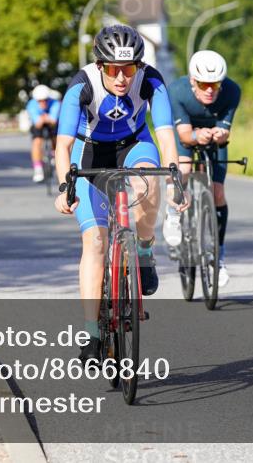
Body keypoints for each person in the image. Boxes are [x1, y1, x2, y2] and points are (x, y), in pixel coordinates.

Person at [53, 24, 187, 363]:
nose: (122, 77)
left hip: (134, 145)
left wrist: (175, 181)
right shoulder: (81, 86)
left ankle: (143, 250)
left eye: (129, 68)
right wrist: (64, 187)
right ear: (100, 66)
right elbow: (63, 145)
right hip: (90, 153)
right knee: (94, 242)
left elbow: (167, 135)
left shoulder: (152, 80)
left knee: (148, 180)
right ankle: (91, 333)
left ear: (139, 66)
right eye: (113, 69)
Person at [163, 50, 241, 288]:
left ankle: (218, 256)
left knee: (217, 193)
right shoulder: (177, 92)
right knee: (184, 170)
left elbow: (226, 130)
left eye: (215, 84)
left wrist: (220, 133)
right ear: (192, 81)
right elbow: (185, 135)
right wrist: (197, 135)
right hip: (187, 134)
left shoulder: (232, 91)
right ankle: (174, 214)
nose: (210, 90)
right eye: (204, 84)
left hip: (213, 138)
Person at [26, 84, 61, 182]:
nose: (43, 102)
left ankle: (56, 156)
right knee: (37, 141)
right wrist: (45, 118)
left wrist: (44, 118)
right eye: (40, 101)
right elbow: (37, 123)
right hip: (39, 125)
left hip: (52, 125)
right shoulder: (31, 104)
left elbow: (53, 121)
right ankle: (38, 169)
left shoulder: (55, 103)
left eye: (45, 100)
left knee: (58, 138)